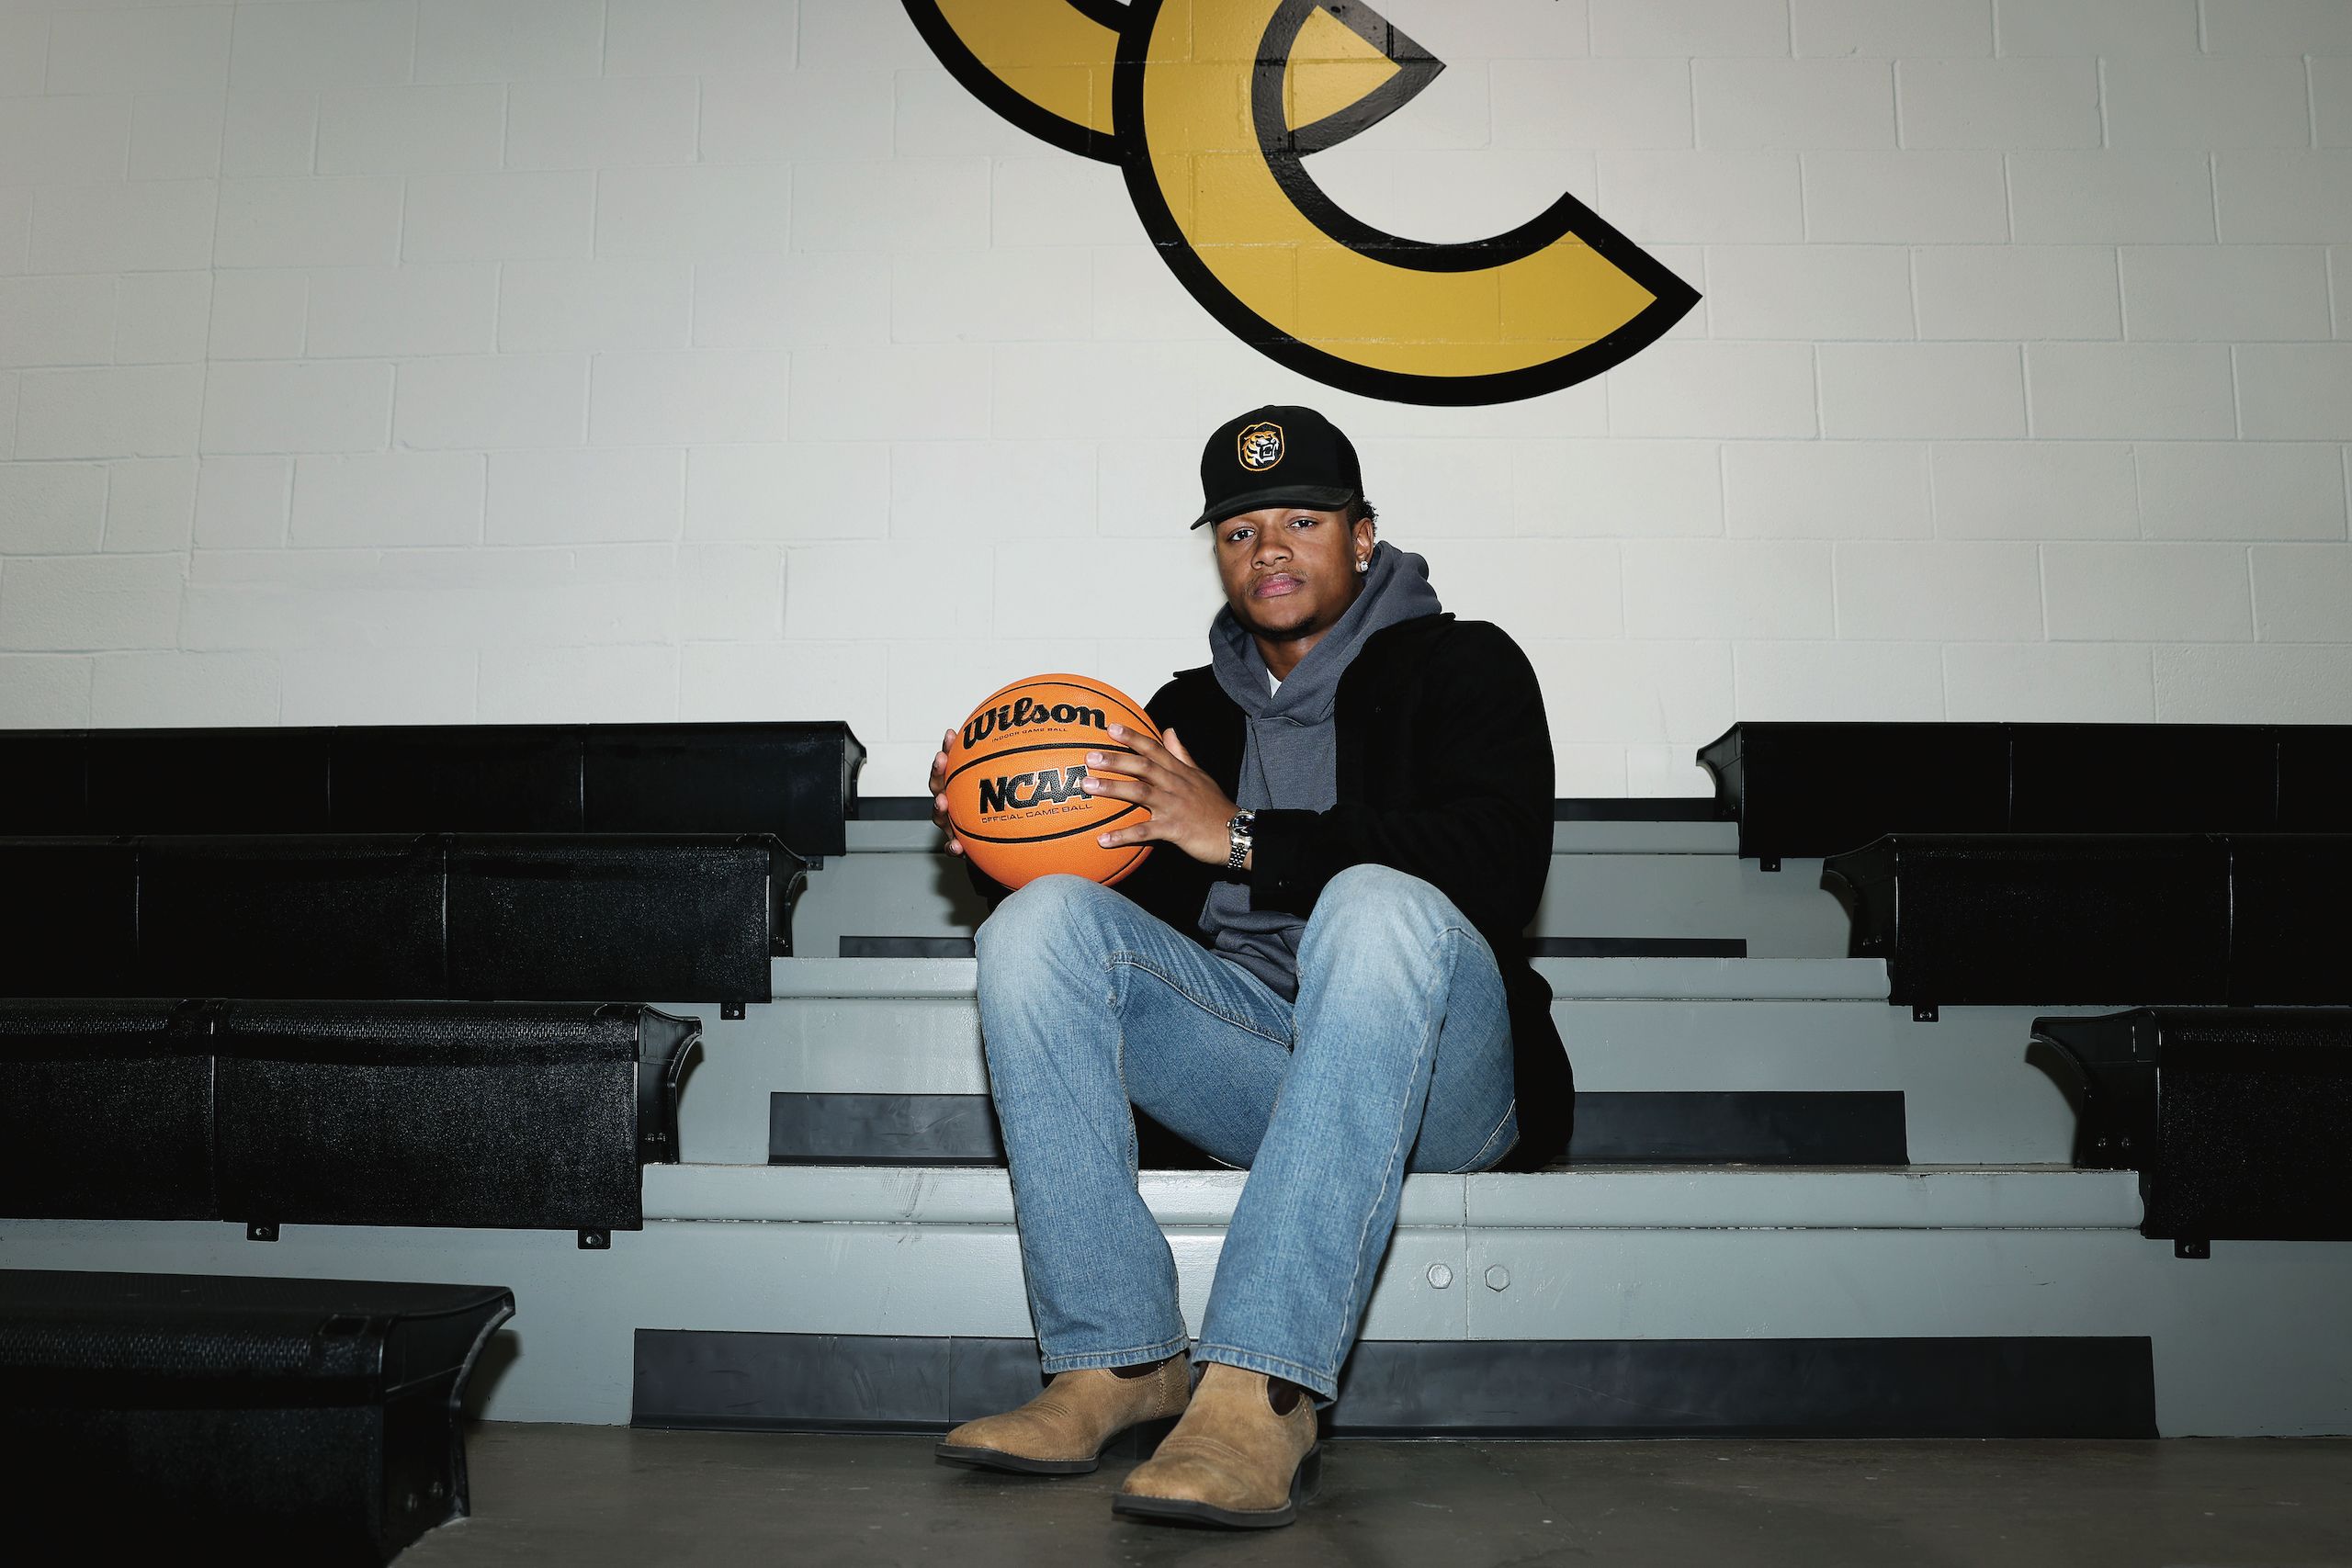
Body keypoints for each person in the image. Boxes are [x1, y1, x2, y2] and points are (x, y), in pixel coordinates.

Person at [925, 404, 1571, 1529]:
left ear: (1361, 536)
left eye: (1301, 518)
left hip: (1444, 1076)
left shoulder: (1467, 665)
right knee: (1033, 929)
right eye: (1238, 529)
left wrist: (1243, 835)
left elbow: (1497, 866)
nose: (1266, 546)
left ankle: (1261, 1390)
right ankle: (1118, 1363)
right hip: (1269, 1071)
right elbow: (1110, 905)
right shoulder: (1178, 715)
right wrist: (993, 829)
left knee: (1371, 905)